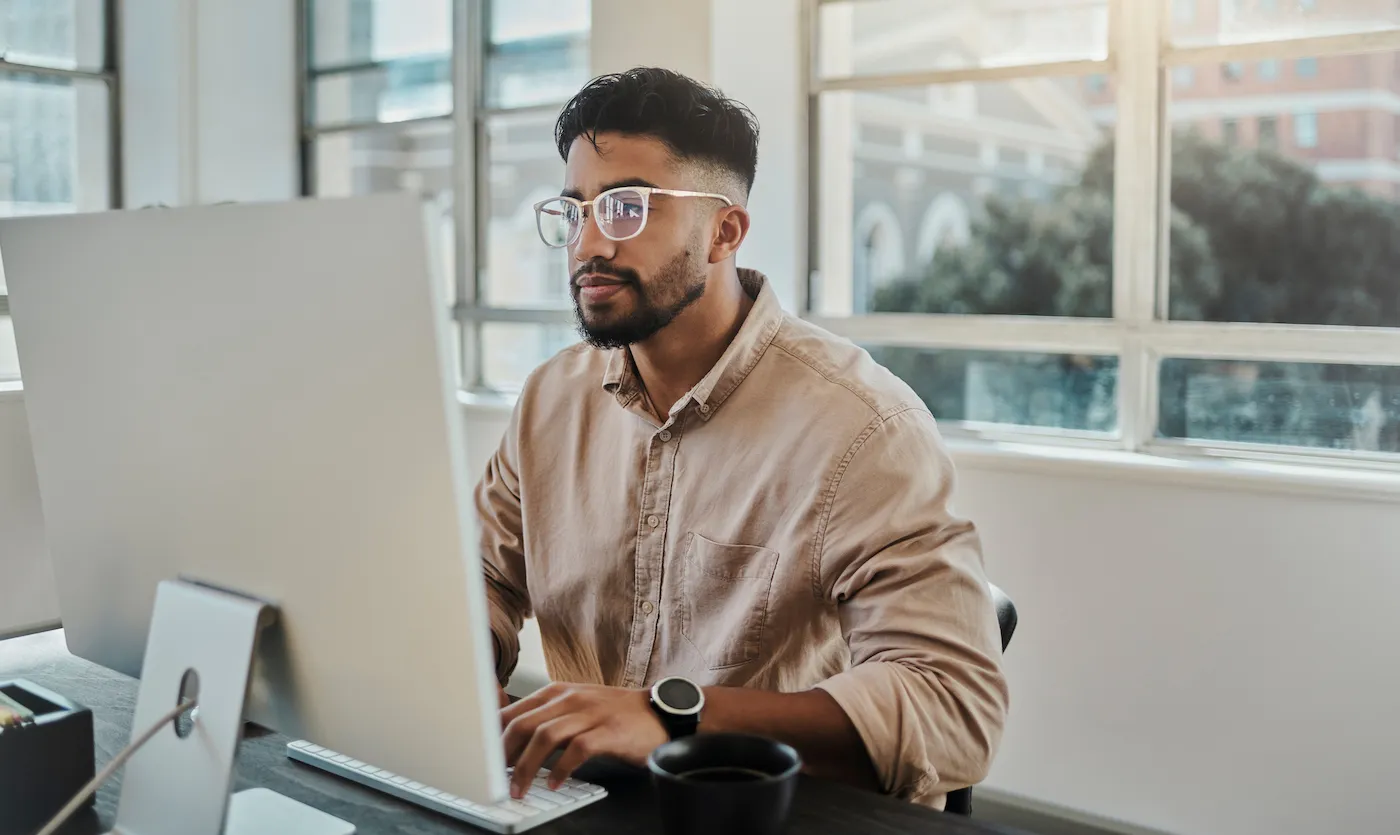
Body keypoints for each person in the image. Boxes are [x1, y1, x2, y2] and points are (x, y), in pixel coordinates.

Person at [476, 67, 1008, 810]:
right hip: (581, 803)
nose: (588, 243)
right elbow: (482, 580)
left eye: (627, 207)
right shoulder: (548, 401)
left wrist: (670, 715)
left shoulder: (865, 428)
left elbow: (954, 706)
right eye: (576, 210)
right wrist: (459, 675)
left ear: (725, 231)